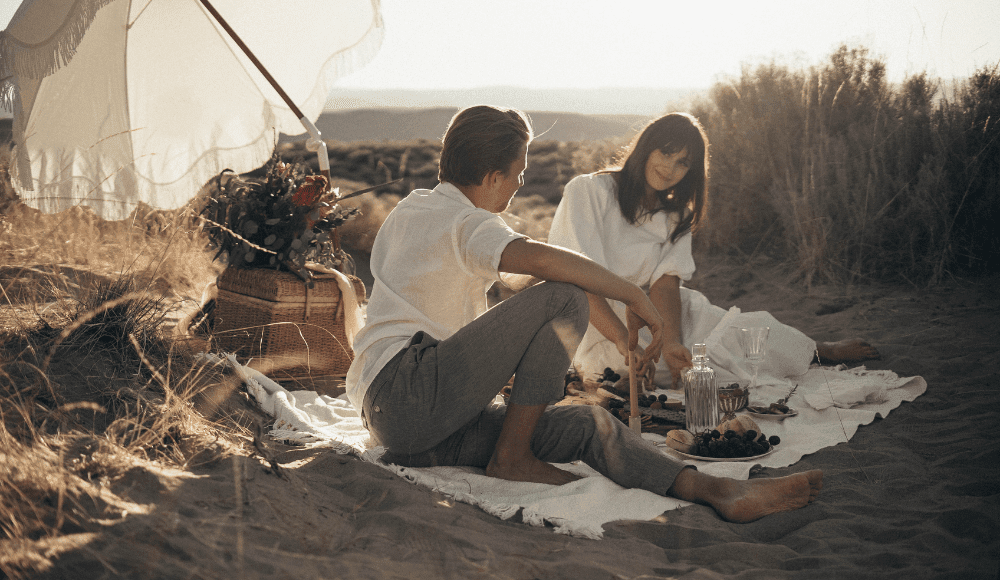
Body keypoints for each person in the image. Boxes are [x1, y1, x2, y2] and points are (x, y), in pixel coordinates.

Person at [345, 104, 822, 522]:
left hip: (422, 426)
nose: (520, 184)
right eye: (519, 174)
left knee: (584, 423)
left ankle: (717, 490)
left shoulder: (412, 209)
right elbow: (544, 263)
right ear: (492, 178)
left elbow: (509, 289)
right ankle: (512, 457)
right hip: (408, 391)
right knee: (565, 296)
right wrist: (634, 298)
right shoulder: (463, 221)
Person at [548, 112, 880, 389]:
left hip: (658, 315)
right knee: (643, 371)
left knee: (738, 337)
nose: (670, 168)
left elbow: (665, 284)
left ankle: (816, 351)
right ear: (646, 148)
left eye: (683, 163)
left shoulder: (676, 214)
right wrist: (623, 339)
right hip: (594, 319)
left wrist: (671, 339)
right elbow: (578, 278)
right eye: (665, 153)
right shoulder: (589, 191)